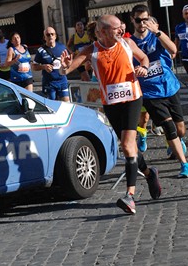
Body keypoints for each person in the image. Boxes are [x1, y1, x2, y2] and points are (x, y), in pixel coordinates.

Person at [60, 14, 161, 215]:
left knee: (126, 145)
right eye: (116, 29)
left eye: (120, 28)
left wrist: (143, 67)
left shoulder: (126, 43)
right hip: (112, 105)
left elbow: (144, 57)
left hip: (132, 99)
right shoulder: (91, 51)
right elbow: (67, 70)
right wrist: (63, 66)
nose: (120, 31)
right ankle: (149, 173)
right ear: (103, 31)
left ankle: (130, 197)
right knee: (129, 146)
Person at [131, 6, 188, 178]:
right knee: (169, 127)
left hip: (169, 86)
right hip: (150, 93)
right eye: (138, 20)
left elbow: (173, 50)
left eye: (145, 19)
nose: (142, 23)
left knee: (180, 128)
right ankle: (184, 164)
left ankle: (178, 142)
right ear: (132, 20)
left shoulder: (156, 36)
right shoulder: (130, 43)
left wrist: (158, 32)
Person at [32, 27, 70, 102]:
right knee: (52, 106)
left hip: (62, 81)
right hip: (49, 83)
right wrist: (43, 67)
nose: (50, 36)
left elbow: (69, 63)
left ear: (55, 36)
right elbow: (34, 67)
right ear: (44, 37)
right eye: (48, 35)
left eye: (52, 34)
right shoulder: (41, 50)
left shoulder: (62, 47)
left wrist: (66, 65)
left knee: (66, 104)